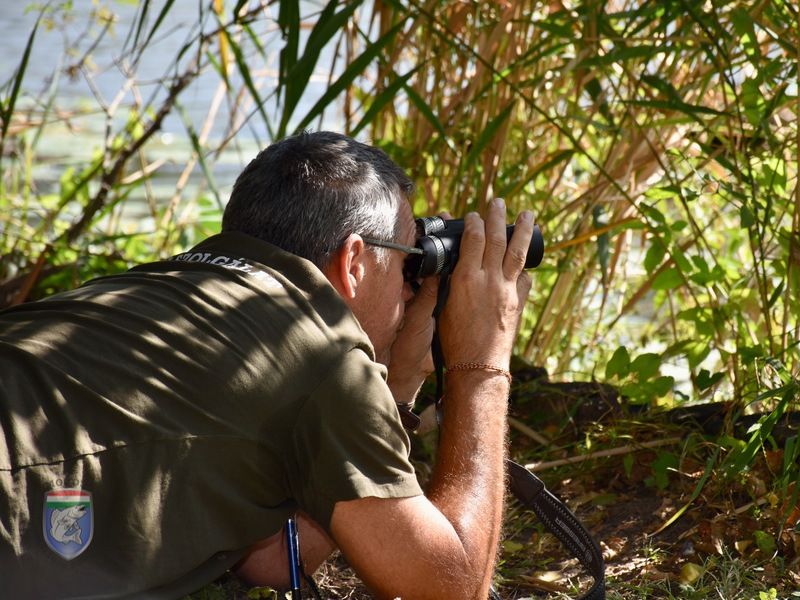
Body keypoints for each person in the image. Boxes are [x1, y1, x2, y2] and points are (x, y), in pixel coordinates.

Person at [0, 131, 533, 599]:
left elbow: (275, 559)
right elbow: (450, 585)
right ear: (353, 263)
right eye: (404, 261)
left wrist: (401, 380)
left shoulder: (154, 288)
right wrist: (481, 364)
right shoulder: (322, 349)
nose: (409, 284)